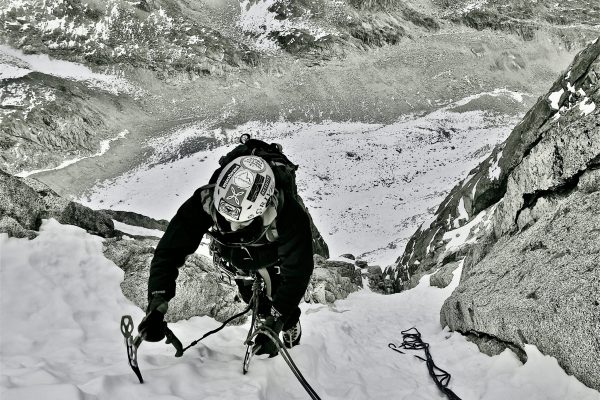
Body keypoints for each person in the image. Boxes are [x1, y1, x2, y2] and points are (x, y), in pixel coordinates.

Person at [138, 139, 315, 357]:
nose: (232, 226)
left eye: (242, 221)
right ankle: (263, 314)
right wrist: (157, 302)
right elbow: (170, 250)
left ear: (266, 207)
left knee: (279, 293)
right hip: (234, 255)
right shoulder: (206, 201)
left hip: (272, 255)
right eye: (227, 217)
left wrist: (277, 322)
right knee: (247, 292)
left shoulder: (290, 216)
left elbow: (297, 274)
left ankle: (289, 323)